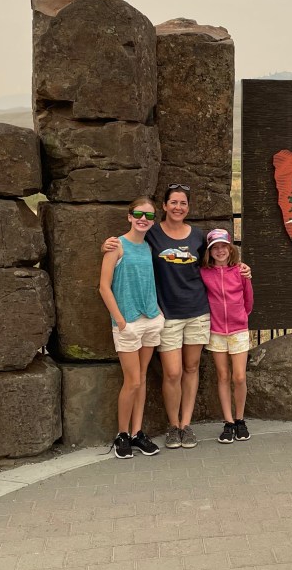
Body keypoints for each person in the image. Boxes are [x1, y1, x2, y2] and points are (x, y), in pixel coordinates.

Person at [102, 184, 250, 450]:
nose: (178, 207)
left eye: (183, 203)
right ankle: (172, 425)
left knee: (191, 368)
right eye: (173, 202)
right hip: (167, 313)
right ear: (165, 206)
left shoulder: (198, 237)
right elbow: (130, 241)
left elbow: (218, 260)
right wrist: (108, 244)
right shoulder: (152, 233)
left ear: (188, 207)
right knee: (172, 372)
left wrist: (241, 268)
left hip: (197, 311)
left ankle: (185, 424)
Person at [97, 196, 163, 459]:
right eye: (138, 214)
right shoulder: (116, 246)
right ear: (129, 216)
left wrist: (158, 313)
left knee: (142, 378)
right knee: (132, 380)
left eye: (149, 215)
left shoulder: (148, 247)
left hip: (150, 319)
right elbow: (104, 287)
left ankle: (137, 433)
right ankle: (122, 434)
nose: (143, 219)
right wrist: (120, 320)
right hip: (128, 323)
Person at [200, 228, 254, 443]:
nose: (220, 250)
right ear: (209, 251)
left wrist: (241, 317)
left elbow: (248, 300)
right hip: (216, 331)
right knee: (222, 376)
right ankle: (228, 422)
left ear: (231, 249)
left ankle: (240, 419)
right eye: (215, 247)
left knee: (239, 377)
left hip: (238, 329)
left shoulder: (240, 271)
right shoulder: (204, 273)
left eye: (224, 246)